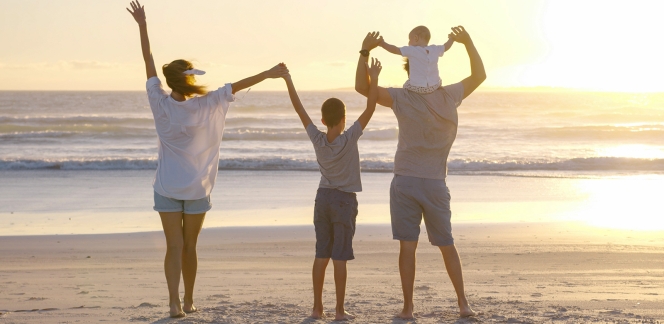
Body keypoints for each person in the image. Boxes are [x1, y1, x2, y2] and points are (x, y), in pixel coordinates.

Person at [126, 1, 288, 318]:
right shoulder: (206, 105)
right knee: (190, 247)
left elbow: (148, 60)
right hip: (198, 188)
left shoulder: (157, 101)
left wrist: (142, 25)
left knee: (173, 247)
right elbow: (237, 85)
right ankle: (188, 301)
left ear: (170, 80)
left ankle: (174, 303)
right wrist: (269, 74)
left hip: (167, 187)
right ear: (188, 79)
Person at [354, 26, 486, 319]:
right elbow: (480, 76)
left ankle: (409, 308)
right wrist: (467, 42)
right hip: (433, 184)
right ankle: (462, 304)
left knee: (409, 248)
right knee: (445, 245)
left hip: (407, 182)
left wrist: (365, 53)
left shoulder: (402, 97)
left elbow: (364, 90)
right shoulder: (448, 95)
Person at [282, 59, 382, 320]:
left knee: (321, 253)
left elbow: (298, 108)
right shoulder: (350, 138)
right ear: (344, 119)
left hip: (322, 198)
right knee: (339, 257)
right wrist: (373, 77)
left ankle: (317, 309)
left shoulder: (317, 138)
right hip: (343, 201)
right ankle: (339, 310)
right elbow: (371, 107)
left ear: (324, 120)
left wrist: (288, 80)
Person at [377, 26, 454, 94]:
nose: (408, 42)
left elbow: (395, 50)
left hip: (417, 87)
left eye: (409, 39)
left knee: (407, 85)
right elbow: (446, 46)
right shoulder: (435, 49)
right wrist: (451, 39)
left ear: (416, 38)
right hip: (434, 86)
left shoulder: (412, 50)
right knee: (438, 80)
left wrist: (383, 44)